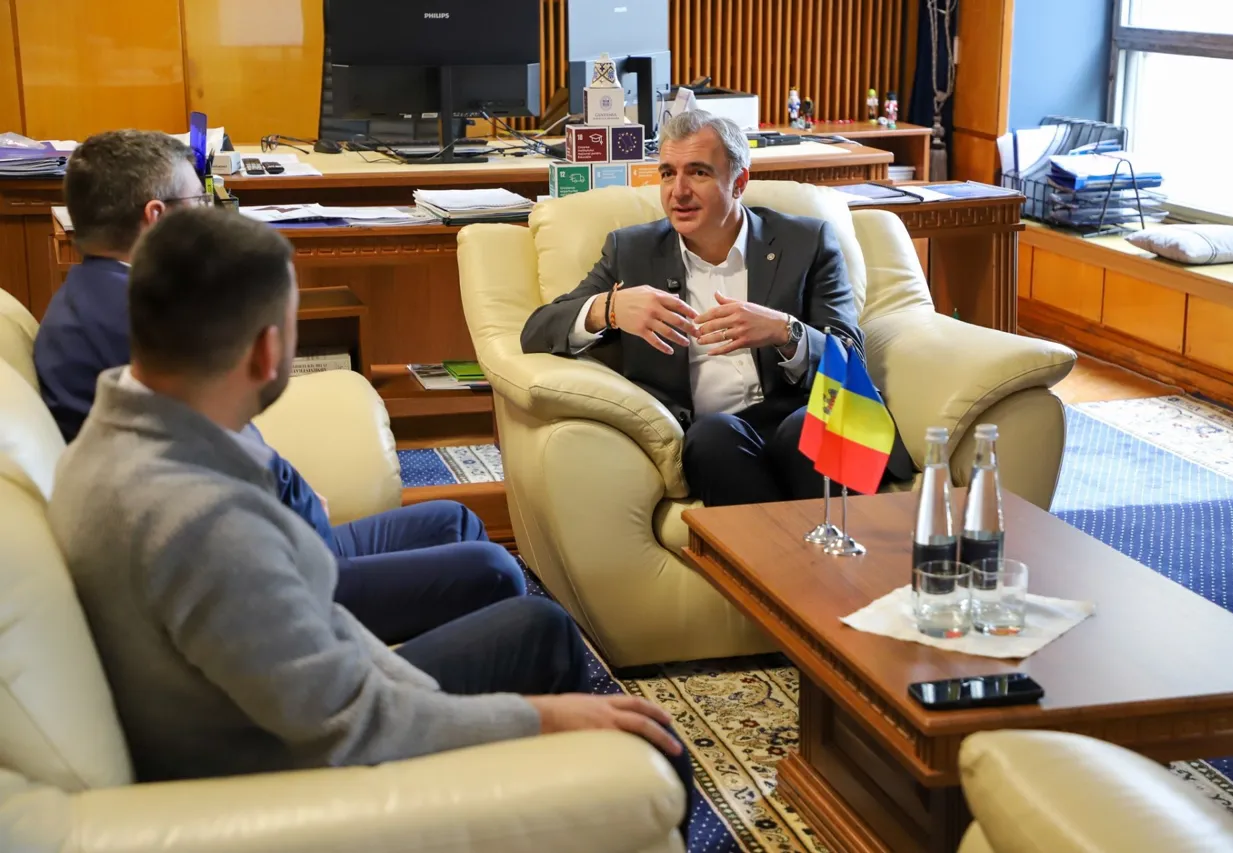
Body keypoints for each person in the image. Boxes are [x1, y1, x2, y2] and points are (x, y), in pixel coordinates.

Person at [47, 207, 695, 837]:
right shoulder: (206, 524)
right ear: (269, 350)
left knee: (533, 623)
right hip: (282, 775)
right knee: (640, 732)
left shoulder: (112, 435)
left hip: (265, 708)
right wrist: (543, 717)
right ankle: (593, 798)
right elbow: (353, 724)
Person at [33, 129, 523, 644]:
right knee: (492, 572)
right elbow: (204, 473)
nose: (206, 217)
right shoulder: (139, 321)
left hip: (279, 543)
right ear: (156, 217)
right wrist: (289, 507)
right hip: (264, 579)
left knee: (454, 523)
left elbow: (214, 441)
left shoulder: (96, 298)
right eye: (196, 202)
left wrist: (295, 495)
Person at [520, 110, 913, 507]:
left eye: (698, 173)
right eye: (668, 173)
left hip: (800, 412)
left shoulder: (805, 241)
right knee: (712, 439)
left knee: (808, 428)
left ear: (739, 182)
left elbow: (850, 360)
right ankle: (781, 546)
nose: (679, 191)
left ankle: (816, 544)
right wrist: (610, 307)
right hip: (714, 435)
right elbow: (537, 330)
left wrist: (786, 331)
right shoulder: (632, 252)